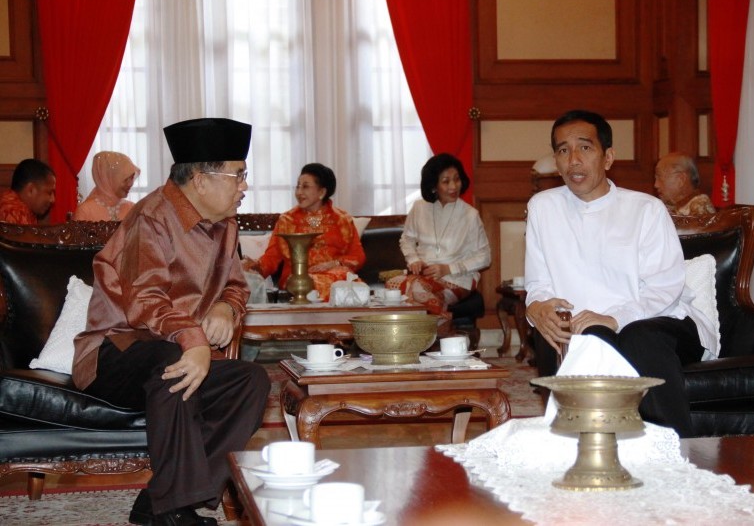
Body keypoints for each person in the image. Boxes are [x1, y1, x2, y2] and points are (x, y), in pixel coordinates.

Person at [72, 118, 271, 525]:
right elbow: (144, 300)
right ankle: (172, 513)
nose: (244, 186)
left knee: (252, 381)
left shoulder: (226, 225)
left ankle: (161, 500)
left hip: (178, 352)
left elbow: (237, 285)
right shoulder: (152, 218)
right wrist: (194, 339)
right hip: (115, 352)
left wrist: (226, 308)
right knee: (171, 361)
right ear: (200, 180)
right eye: (239, 175)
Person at [524, 110, 718, 438]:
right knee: (582, 340)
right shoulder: (543, 207)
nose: (573, 160)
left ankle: (676, 451)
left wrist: (614, 317)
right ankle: (597, 455)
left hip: (660, 321)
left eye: (584, 148)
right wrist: (537, 308)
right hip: (587, 326)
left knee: (636, 338)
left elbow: (664, 288)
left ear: (608, 157)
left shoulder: (645, 209)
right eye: (562, 150)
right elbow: (537, 285)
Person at [386, 153, 491, 325]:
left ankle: (441, 326)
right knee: (393, 285)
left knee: (416, 290)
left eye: (457, 179)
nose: (453, 186)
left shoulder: (470, 215)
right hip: (423, 277)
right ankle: (438, 325)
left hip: (458, 279)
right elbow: (407, 239)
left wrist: (449, 268)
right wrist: (414, 260)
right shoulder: (419, 208)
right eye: (446, 181)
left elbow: (485, 257)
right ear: (433, 186)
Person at [242, 163, 366, 302]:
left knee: (355, 288)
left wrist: (334, 263)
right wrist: (256, 266)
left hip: (337, 275)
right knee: (326, 286)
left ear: (322, 192)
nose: (299, 192)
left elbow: (358, 256)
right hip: (297, 279)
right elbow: (272, 257)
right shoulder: (287, 220)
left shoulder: (342, 220)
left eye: (305, 186)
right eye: (298, 186)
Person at [74, 151, 141, 221]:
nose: (130, 184)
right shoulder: (85, 211)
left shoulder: (131, 208)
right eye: (125, 180)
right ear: (109, 179)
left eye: (131, 178)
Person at [654, 152, 715, 216]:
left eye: (660, 178)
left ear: (681, 179)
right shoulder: (668, 206)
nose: (656, 185)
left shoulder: (699, 207)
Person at [0, 158, 56, 224]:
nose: (53, 200)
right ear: (31, 190)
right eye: (49, 193)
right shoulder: (12, 212)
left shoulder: (27, 210)